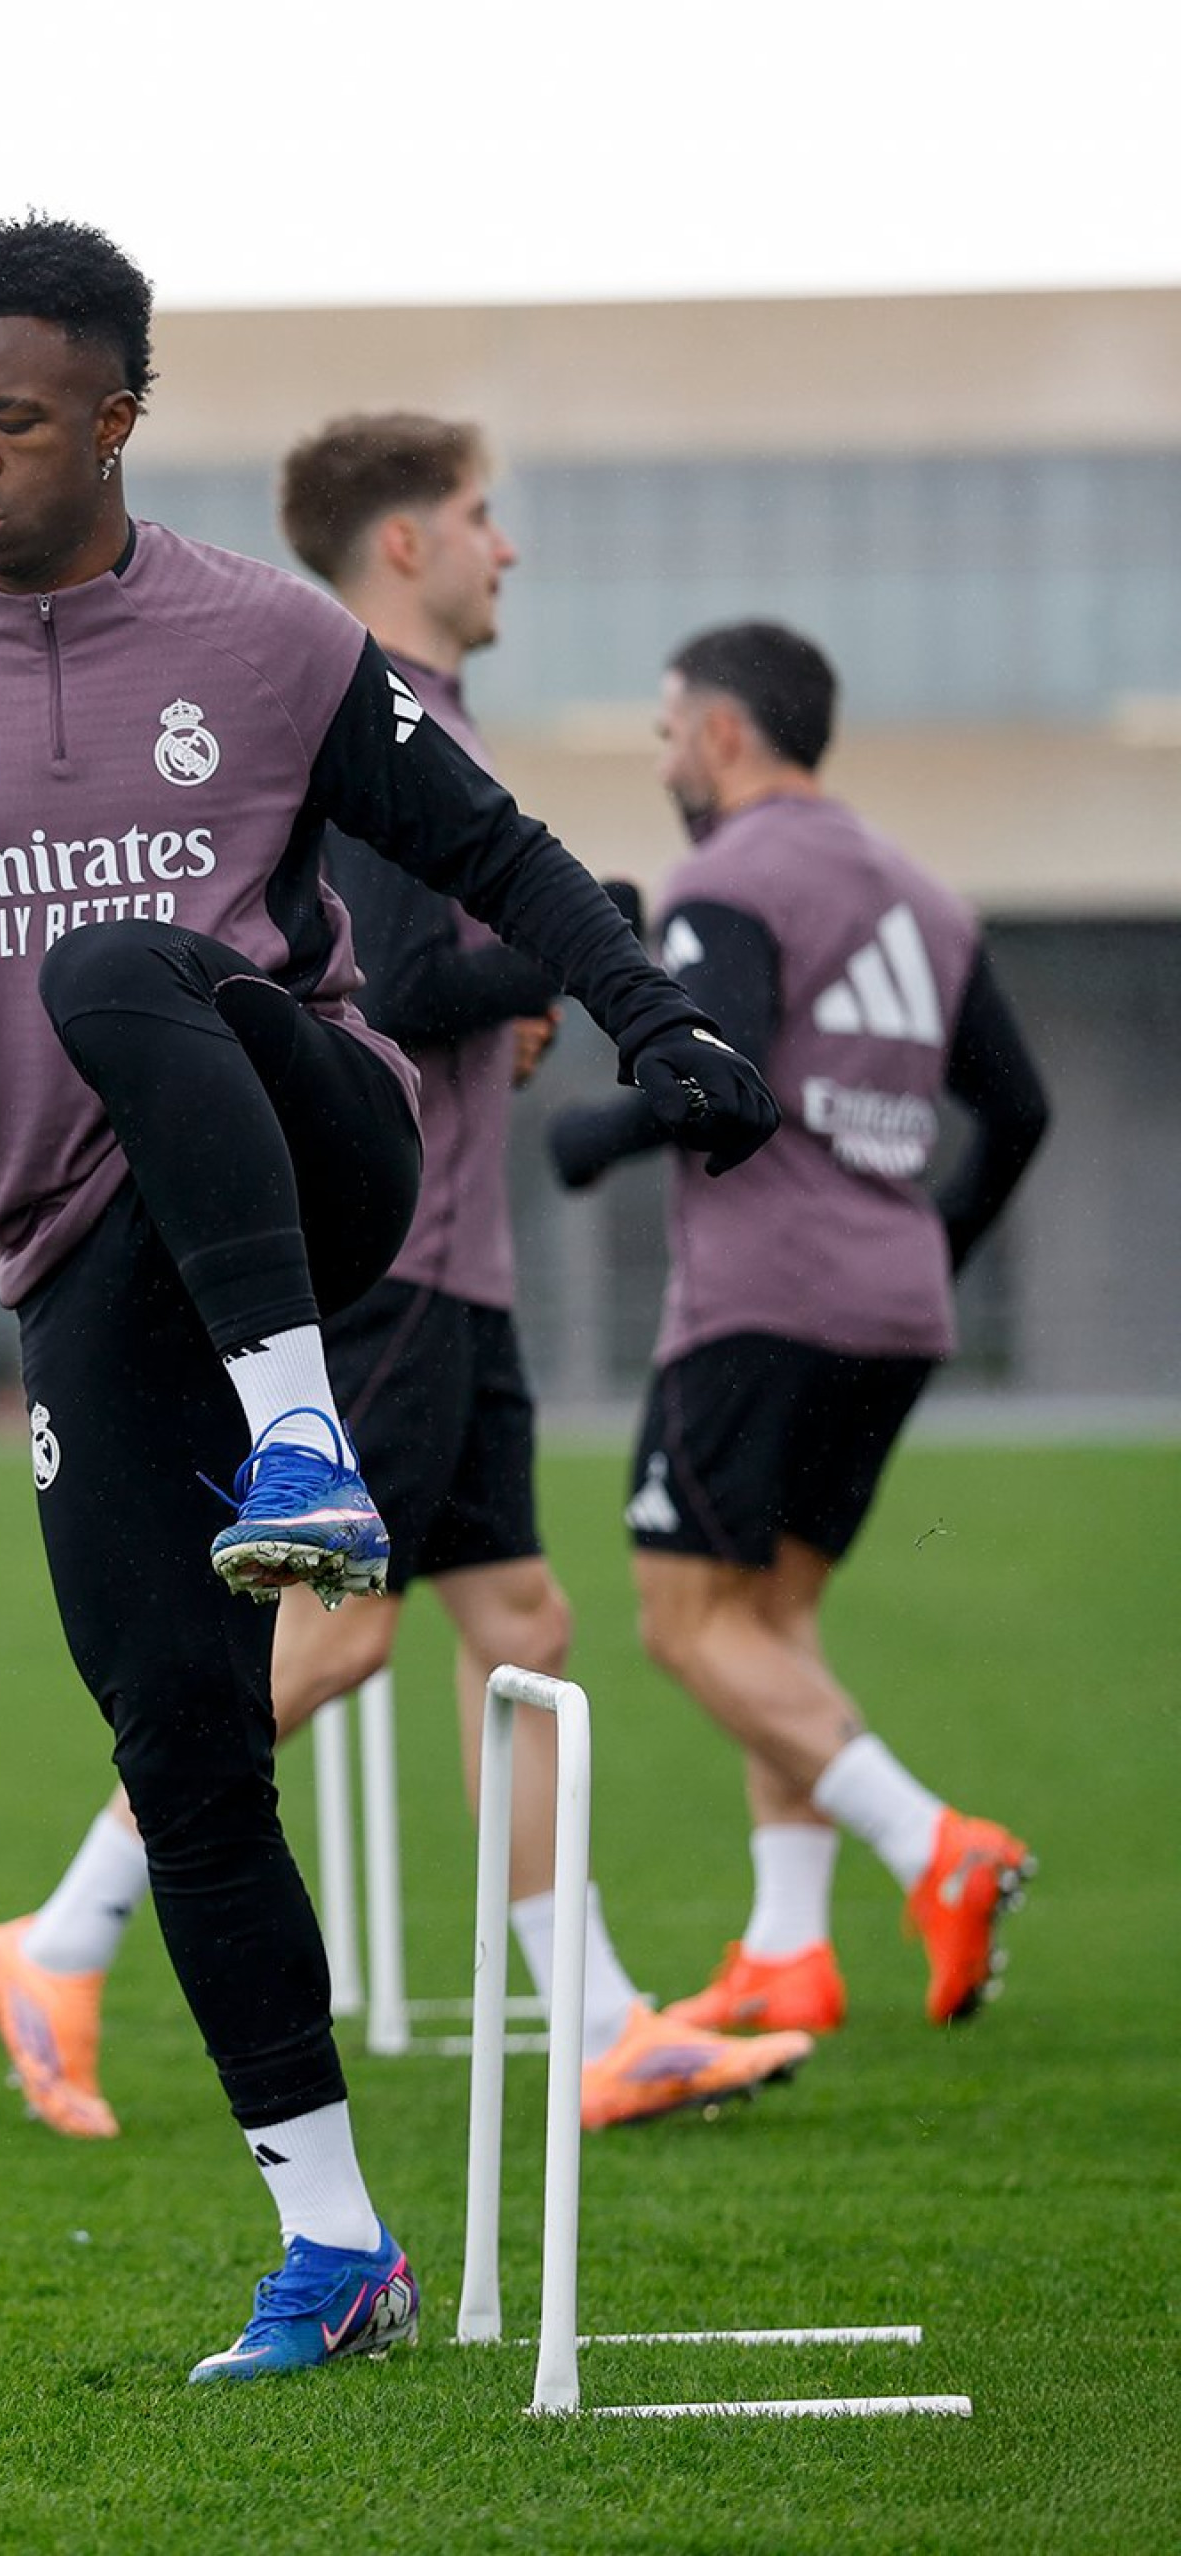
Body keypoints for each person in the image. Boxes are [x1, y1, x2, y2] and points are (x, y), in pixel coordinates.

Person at [0, 217, 778, 2386]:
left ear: (117, 413)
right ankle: (337, 2243)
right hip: (79, 1267)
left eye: (10, 414)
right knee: (183, 1744)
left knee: (120, 965)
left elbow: (501, 856)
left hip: (324, 1150)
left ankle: (302, 1423)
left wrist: (658, 1018)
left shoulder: (273, 639)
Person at [0, 413, 812, 2148]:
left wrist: (558, 973)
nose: (513, 550)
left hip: (468, 1262)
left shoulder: (445, 720)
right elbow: (393, 976)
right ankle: (58, 1936)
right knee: (331, 1646)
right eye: (487, 519)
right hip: (391, 1258)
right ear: (405, 547)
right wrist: (569, 947)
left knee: (523, 1627)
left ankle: (597, 2021)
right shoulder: (343, 710)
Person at [547, 620, 1050, 2037]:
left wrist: (588, 1133)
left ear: (719, 732)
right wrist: (921, 1246)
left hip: (766, 1296)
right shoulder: (925, 895)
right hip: (892, 1305)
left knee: (684, 1624)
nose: (662, 762)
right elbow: (1021, 1112)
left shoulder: (730, 876)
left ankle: (932, 1847)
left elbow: (722, 1073)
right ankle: (785, 1950)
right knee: (773, 1622)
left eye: (663, 733)